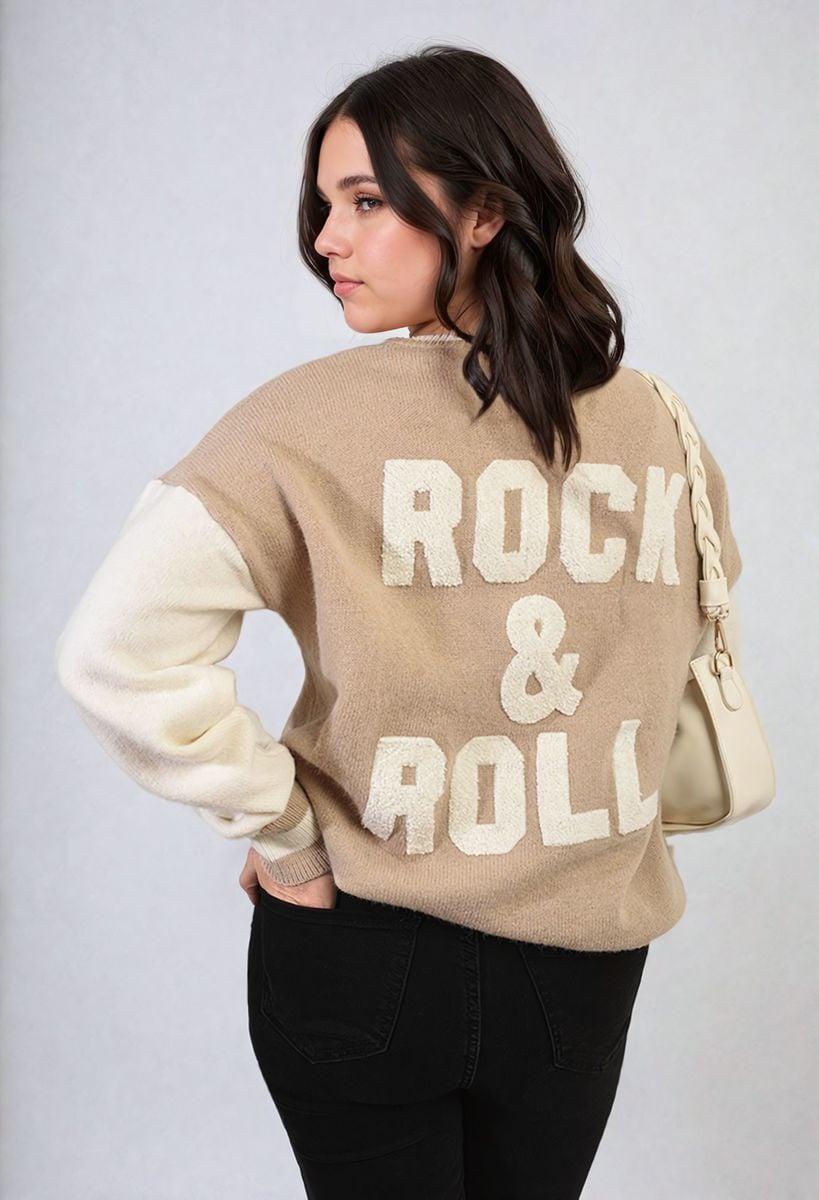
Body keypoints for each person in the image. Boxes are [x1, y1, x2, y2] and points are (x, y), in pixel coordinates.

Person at [54, 42, 744, 1200]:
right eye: (326, 205)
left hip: (364, 939)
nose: (328, 238)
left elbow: (115, 652)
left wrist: (284, 831)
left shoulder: (300, 423)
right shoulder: (658, 424)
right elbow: (690, 622)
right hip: (581, 963)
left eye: (367, 201)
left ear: (484, 211)